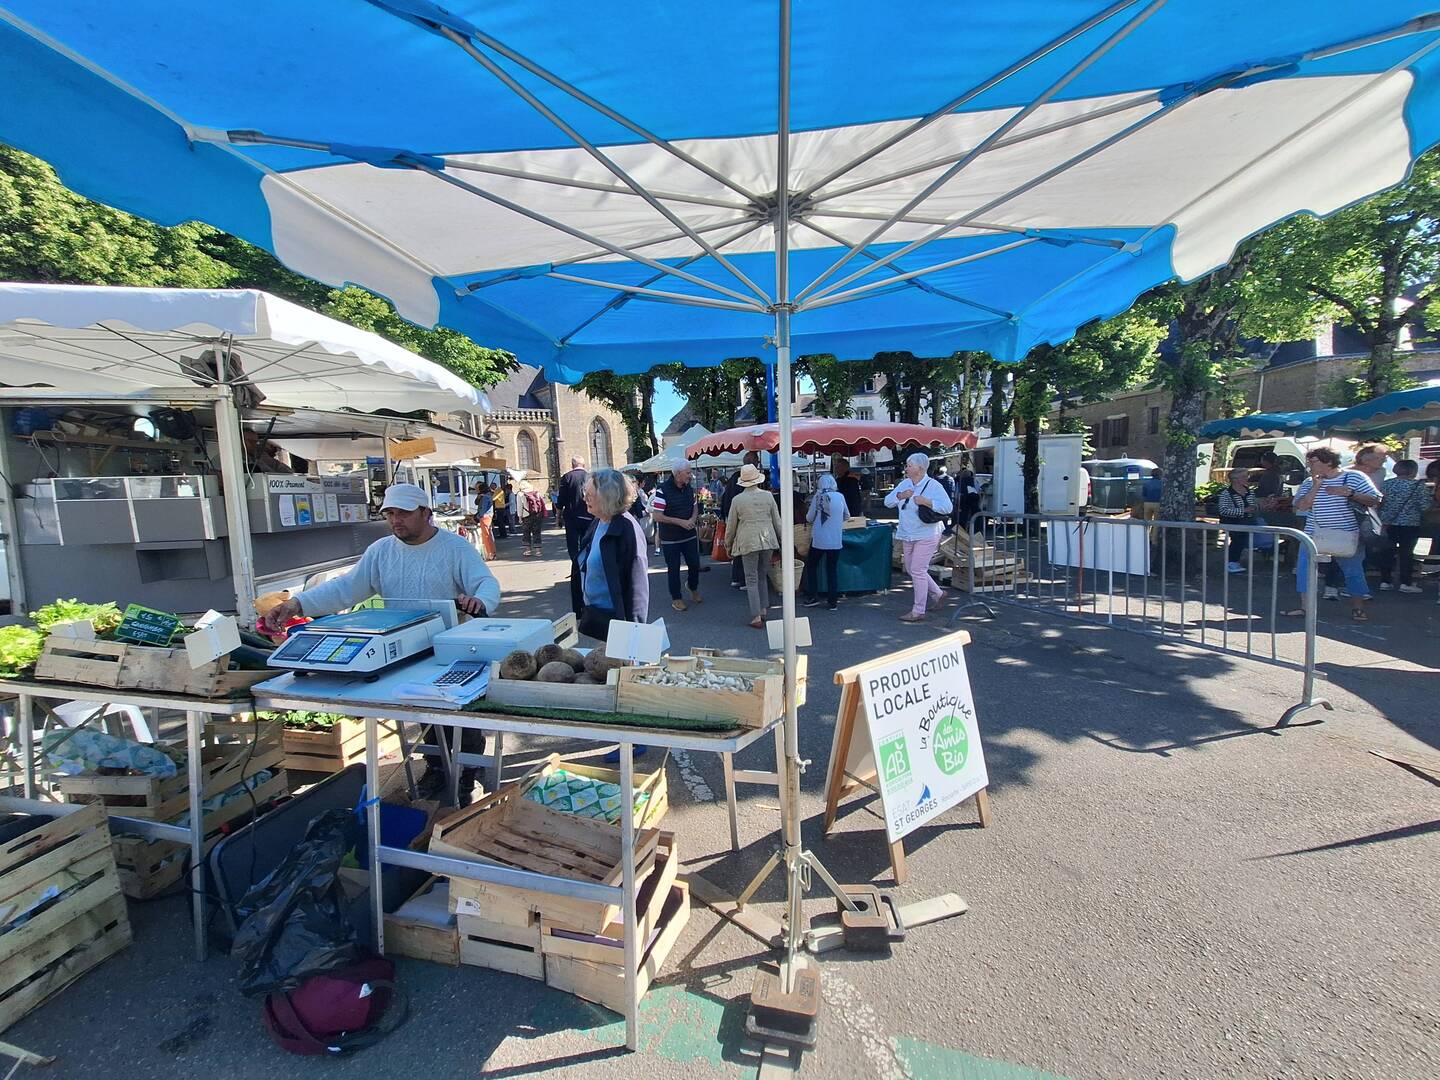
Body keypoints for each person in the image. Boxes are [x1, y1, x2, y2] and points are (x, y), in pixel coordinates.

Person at [261, 484, 501, 804]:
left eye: (403, 513)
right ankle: (437, 768)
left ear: (426, 514)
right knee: (423, 711)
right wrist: (298, 605)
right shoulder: (381, 551)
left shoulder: (455, 548)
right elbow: (346, 588)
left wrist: (479, 601)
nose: (396, 520)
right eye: (390, 514)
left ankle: (468, 772)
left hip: (451, 649)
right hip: (404, 647)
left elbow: (485, 583)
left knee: (460, 714)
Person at [1285, 448, 1381, 622]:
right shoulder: (1309, 482)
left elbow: (1375, 499)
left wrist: (1351, 493)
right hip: (1313, 535)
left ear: (1328, 462)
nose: (1309, 465)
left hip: (1347, 534)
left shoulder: (1354, 477)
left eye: (1313, 461)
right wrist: (1316, 487)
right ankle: (1305, 608)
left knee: (1353, 572)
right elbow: (1301, 506)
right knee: (1304, 571)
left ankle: (1358, 608)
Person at [573, 469, 650, 637]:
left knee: (617, 662)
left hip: (616, 622)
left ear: (607, 496)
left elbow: (637, 587)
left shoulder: (627, 529)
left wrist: (635, 633)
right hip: (596, 616)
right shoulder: (599, 521)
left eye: (590, 495)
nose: (585, 498)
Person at [885, 451, 954, 623]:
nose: (906, 468)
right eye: (907, 465)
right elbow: (888, 502)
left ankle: (918, 610)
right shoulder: (904, 484)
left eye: (910, 465)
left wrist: (926, 502)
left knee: (917, 570)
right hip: (908, 533)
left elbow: (947, 508)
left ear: (920, 468)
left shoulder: (933, 485)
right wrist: (900, 495)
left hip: (927, 533)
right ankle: (938, 594)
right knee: (911, 568)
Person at [725, 463, 782, 629]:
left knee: (751, 578)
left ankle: (756, 615)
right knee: (763, 575)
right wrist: (782, 539)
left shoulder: (737, 500)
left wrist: (728, 545)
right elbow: (777, 521)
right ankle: (763, 609)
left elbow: (731, 526)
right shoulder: (768, 496)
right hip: (768, 539)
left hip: (748, 540)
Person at [651, 463, 703, 611]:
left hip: (689, 535)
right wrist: (680, 522)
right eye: (688, 472)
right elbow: (657, 516)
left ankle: (692, 586)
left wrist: (693, 519)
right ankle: (676, 598)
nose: (690, 475)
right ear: (678, 474)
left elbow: (695, 507)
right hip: (670, 538)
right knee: (673, 568)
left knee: (694, 564)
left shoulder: (689, 489)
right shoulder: (662, 491)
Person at [1376, 460, 1429, 594]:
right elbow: (1424, 506)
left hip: (1388, 523)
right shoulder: (1418, 486)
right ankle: (1406, 582)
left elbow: (1379, 502)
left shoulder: (1387, 484)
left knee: (1387, 552)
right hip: (1410, 524)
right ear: (1413, 470)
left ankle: (1385, 581)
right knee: (1406, 553)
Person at [803, 473, 847, 611]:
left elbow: (809, 518)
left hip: (820, 539)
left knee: (811, 566)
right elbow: (847, 515)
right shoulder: (840, 497)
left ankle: (813, 595)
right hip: (835, 539)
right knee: (832, 569)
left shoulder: (818, 497)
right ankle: (832, 601)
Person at [722, 452, 762, 590]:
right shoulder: (750, 479)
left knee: (737, 547)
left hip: (734, 515)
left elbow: (725, 498)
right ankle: (745, 579)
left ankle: (736, 578)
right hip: (746, 518)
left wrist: (726, 515)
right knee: (746, 549)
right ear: (754, 462)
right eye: (757, 460)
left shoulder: (734, 477)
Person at [1217, 468, 1259, 572]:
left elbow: (1253, 504)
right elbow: (1223, 510)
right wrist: (1243, 511)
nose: (1247, 478)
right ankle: (1231, 562)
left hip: (1247, 521)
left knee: (1241, 541)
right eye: (1244, 476)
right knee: (1237, 540)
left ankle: (1234, 561)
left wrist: (1257, 507)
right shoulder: (1226, 494)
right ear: (1235, 479)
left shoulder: (1249, 491)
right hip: (1233, 522)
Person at [556, 456, 594, 564]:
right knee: (588, 543)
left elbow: (561, 500)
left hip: (572, 518)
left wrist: (558, 517)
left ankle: (577, 567)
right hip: (589, 516)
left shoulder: (567, 477)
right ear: (584, 465)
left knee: (573, 546)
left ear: (572, 465)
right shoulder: (590, 477)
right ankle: (587, 565)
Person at [517, 479, 545, 557]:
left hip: (526, 516)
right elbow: (542, 503)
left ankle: (528, 550)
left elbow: (519, 507)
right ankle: (538, 551)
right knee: (537, 532)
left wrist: (519, 517)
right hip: (537, 515)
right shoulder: (536, 493)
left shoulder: (520, 494)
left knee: (526, 533)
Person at [934, 466, 957, 535]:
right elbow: (953, 490)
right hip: (948, 500)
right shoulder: (950, 479)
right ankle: (946, 530)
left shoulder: (935, 480)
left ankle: (942, 531)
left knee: (939, 517)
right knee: (946, 516)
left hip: (938, 501)